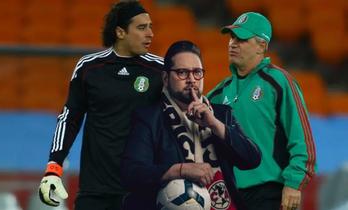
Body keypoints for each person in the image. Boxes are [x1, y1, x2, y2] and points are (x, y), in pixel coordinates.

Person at [38, 1, 164, 210]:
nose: (150, 33)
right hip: (95, 191)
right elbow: (69, 118)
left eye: (150, 26)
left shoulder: (160, 71)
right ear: (120, 32)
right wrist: (54, 166)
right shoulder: (89, 67)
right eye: (142, 28)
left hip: (142, 191)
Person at [121, 40, 261, 210]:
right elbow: (132, 174)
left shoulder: (222, 114)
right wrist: (180, 170)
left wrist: (215, 125)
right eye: (182, 73)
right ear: (165, 78)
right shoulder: (149, 118)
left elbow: (252, 159)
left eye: (197, 72)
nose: (191, 80)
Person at [207, 12, 317, 210]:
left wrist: (294, 184)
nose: (233, 43)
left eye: (242, 39)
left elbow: (302, 140)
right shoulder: (217, 93)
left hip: (271, 193)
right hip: (230, 195)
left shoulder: (279, 82)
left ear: (262, 46)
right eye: (232, 37)